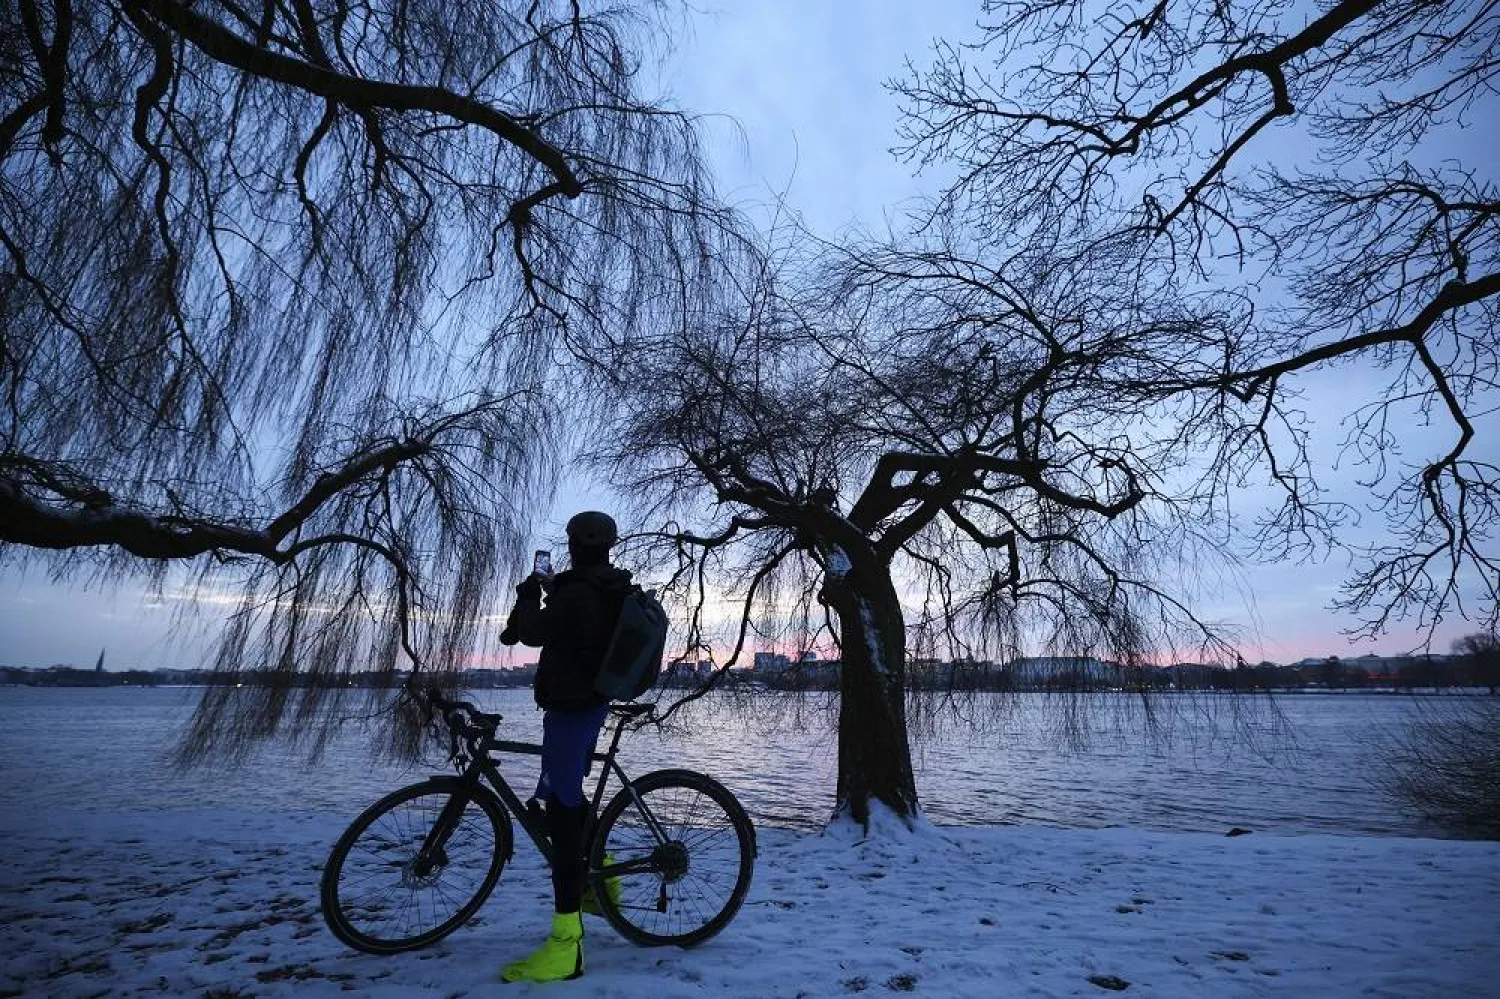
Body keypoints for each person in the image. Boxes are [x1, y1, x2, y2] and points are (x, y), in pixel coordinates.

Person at [496, 510, 631, 984]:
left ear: (573, 544)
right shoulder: (599, 585)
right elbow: (571, 616)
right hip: (582, 705)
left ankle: (566, 945)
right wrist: (552, 589)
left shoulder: (578, 593)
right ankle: (604, 876)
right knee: (563, 798)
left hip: (574, 710)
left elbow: (532, 632)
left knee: (562, 814)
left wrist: (530, 592)